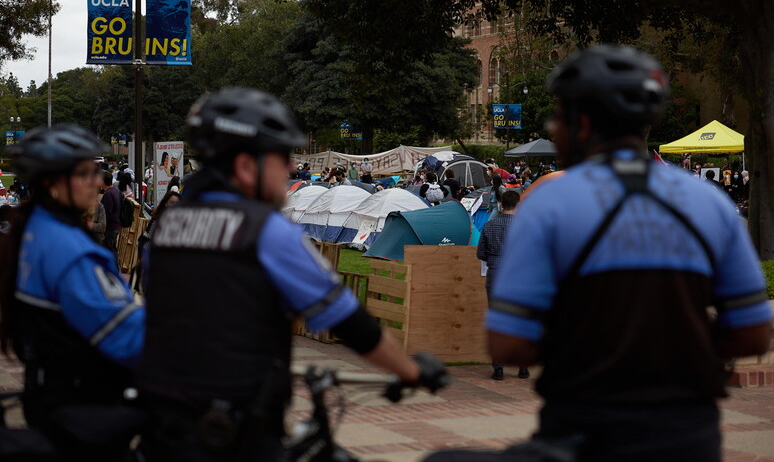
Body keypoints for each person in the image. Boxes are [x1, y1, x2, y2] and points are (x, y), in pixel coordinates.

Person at [485, 45, 771, 460]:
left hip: (582, 429)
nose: (554, 130)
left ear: (581, 124)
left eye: (557, 118)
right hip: (689, 433)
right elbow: (753, 334)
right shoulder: (710, 202)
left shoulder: (548, 201)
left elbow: (508, 345)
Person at [138, 88, 448, 460]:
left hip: (163, 424)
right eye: (280, 156)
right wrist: (411, 370)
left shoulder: (171, 225)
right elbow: (351, 322)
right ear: (245, 166)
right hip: (237, 433)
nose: (289, 169)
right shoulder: (266, 230)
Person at [0, 124, 145, 460]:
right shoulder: (70, 251)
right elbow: (129, 337)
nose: (97, 182)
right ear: (52, 182)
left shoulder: (31, 229)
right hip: (87, 406)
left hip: (49, 391)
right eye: (85, 173)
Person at [476, 190, 529, 381]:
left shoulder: (489, 226)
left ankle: (498, 367)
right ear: (518, 205)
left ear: (501, 204)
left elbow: (480, 253)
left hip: (496, 274)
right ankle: (523, 366)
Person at [101, 170, 122, 253]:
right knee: (112, 249)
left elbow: (106, 212)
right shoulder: (115, 191)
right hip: (116, 225)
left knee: (109, 250)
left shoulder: (108, 194)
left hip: (110, 227)